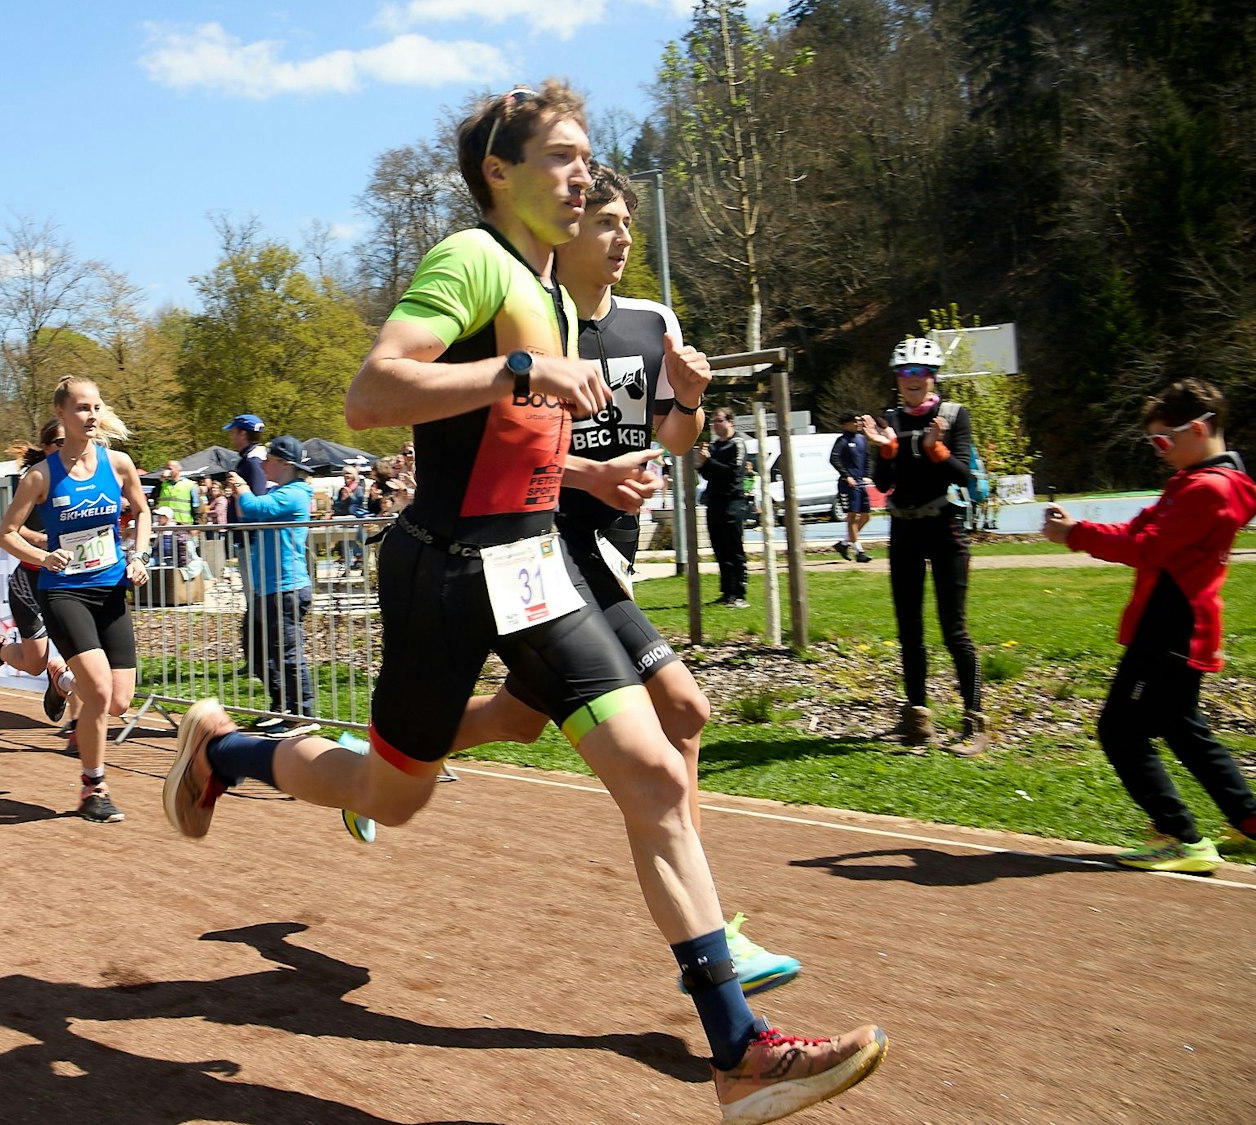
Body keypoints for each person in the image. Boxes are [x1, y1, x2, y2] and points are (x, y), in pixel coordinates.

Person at [163, 82, 882, 1125]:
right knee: (392, 797)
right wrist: (517, 369)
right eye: (559, 156)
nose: (581, 174)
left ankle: (738, 1050)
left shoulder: (555, 291)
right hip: (445, 572)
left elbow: (525, 437)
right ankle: (226, 751)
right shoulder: (473, 260)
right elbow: (371, 394)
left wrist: (587, 453)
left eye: (585, 156)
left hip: (534, 565)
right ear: (498, 173)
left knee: (655, 775)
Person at [443, 161, 800, 996]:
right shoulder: (530, 324)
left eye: (628, 224)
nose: (622, 238)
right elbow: (495, 453)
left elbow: (673, 439)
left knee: (517, 719)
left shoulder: (652, 321)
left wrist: (690, 400)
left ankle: (388, 749)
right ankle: (712, 936)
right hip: (540, 549)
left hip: (610, 554)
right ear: (567, 233)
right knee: (684, 709)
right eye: (605, 222)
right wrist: (591, 476)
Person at [1043, 379, 1256, 873]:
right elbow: (1138, 530)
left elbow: (1148, 548)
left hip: (1169, 630)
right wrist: (1077, 529)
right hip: (1176, 627)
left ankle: (1181, 838)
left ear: (1198, 429)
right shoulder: (1194, 481)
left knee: (1119, 731)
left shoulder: (1208, 489)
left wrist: (1076, 536)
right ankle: (1249, 820)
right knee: (1183, 729)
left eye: (1164, 440)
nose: (1159, 451)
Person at [0, 377, 150, 823]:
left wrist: (139, 555)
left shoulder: (118, 464)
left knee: (119, 702)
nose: (92, 415)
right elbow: (6, 534)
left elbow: (141, 512)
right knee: (98, 691)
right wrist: (43, 557)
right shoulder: (42, 476)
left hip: (111, 589)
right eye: (82, 408)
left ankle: (63, 678)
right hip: (64, 592)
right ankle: (93, 788)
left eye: (96, 407)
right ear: (62, 414)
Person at [862, 338, 985, 755]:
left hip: (945, 526)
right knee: (909, 630)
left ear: (933, 376)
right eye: (904, 372)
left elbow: (963, 474)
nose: (912, 379)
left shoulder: (953, 415)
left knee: (954, 629)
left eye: (920, 372)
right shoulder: (891, 419)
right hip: (904, 529)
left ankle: (974, 720)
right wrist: (885, 450)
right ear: (897, 378)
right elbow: (882, 484)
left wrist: (936, 449)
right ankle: (917, 719)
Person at [0, 422, 76, 733]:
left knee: (83, 649)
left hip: (71, 579)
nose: (67, 447)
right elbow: (12, 529)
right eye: (59, 442)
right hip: (31, 581)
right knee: (34, 664)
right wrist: (44, 541)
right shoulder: (35, 478)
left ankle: (79, 723)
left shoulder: (85, 477)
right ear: (46, 447)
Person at [228, 434, 318, 737]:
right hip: (268, 587)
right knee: (256, 649)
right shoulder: (281, 492)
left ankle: (303, 713)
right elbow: (249, 515)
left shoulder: (295, 493)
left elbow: (255, 508)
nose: (263, 465)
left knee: (287, 653)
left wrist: (242, 488)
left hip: (285, 587)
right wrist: (241, 495)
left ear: (285, 464)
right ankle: (282, 707)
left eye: (268, 460)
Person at [696, 408, 750, 607]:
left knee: (734, 549)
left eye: (719, 421)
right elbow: (708, 475)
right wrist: (702, 463)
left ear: (730, 422)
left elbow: (733, 472)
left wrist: (709, 461)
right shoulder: (714, 446)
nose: (715, 425)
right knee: (719, 549)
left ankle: (739, 593)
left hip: (732, 502)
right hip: (714, 501)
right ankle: (727, 592)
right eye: (713, 422)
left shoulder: (737, 444)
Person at [829, 413, 873, 561]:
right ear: (846, 424)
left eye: (859, 421)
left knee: (866, 516)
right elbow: (834, 458)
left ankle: (844, 543)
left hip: (861, 483)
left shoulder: (861, 439)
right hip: (848, 484)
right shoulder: (842, 441)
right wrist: (846, 476)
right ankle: (859, 551)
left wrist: (867, 475)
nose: (858, 423)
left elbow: (867, 458)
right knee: (852, 516)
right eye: (855, 421)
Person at [157, 458, 204, 526]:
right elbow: (154, 497)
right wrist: (161, 479)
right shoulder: (163, 484)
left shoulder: (190, 484)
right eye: (167, 468)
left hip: (184, 523)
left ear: (177, 469)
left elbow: (196, 505)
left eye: (170, 468)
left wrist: (196, 523)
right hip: (166, 523)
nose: (168, 471)